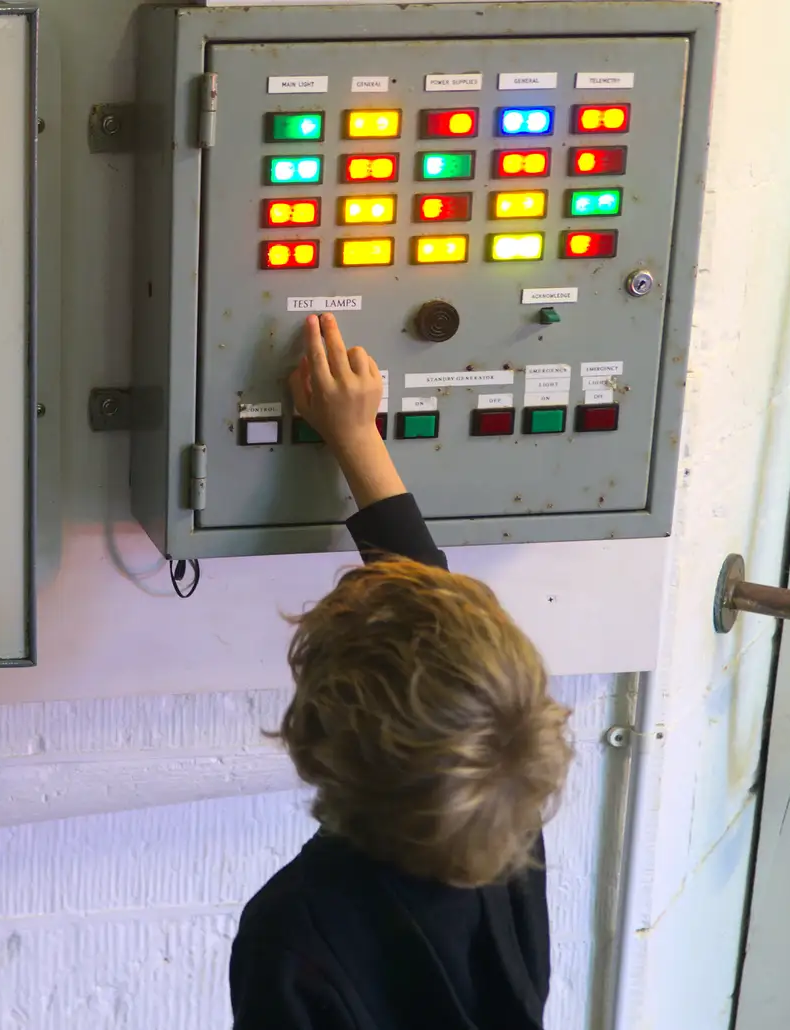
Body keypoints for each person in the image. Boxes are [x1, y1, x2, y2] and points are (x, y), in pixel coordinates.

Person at [229, 314, 575, 1030]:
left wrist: (351, 433)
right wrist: (358, 437)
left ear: (309, 739)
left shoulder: (294, 930)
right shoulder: (501, 836)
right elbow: (441, 634)